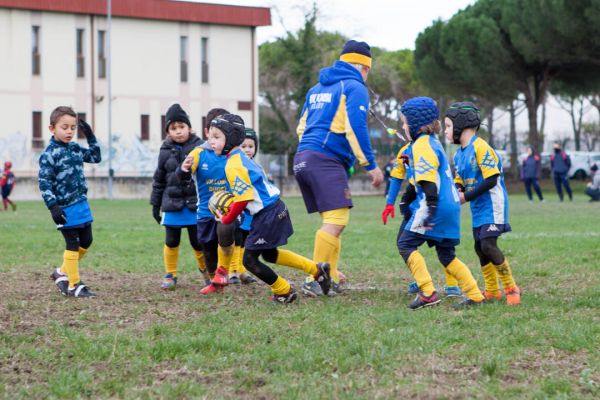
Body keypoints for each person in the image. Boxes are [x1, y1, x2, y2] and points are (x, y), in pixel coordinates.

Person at [183, 113, 331, 303]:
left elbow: (244, 198)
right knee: (270, 254)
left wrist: (226, 219)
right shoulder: (241, 158)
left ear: (231, 138)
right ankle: (317, 270)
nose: (211, 141)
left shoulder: (233, 165)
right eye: (210, 136)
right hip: (276, 208)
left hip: (268, 213)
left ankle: (284, 291)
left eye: (216, 137)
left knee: (249, 261)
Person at [294, 39, 384, 296]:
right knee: (337, 218)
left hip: (303, 157)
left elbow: (302, 128)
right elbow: (355, 127)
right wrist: (370, 164)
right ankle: (315, 279)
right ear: (364, 67)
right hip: (324, 159)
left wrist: (313, 154)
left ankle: (330, 273)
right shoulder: (355, 86)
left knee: (331, 217)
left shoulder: (315, 89)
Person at [396, 97, 485, 310]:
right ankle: (475, 294)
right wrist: (407, 197)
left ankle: (427, 292)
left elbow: (427, 181)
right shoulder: (434, 142)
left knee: (405, 244)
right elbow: (422, 178)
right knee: (447, 255)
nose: (403, 127)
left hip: (435, 205)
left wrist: (429, 210)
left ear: (415, 124)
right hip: (451, 205)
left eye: (404, 122)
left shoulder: (421, 145)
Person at [446, 102, 521, 305]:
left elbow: (491, 180)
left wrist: (465, 197)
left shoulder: (481, 147)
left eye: (448, 126)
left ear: (462, 126)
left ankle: (511, 287)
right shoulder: (459, 154)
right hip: (478, 208)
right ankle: (492, 290)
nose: (445, 131)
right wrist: (457, 190)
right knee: (479, 247)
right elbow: (459, 179)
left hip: (492, 205)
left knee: (488, 245)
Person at [382, 142, 463, 298]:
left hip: (435, 204)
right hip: (416, 206)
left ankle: (452, 285)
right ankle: (421, 281)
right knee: (404, 242)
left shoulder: (431, 146)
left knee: (444, 247)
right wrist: (390, 203)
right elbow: (397, 177)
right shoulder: (404, 151)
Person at [176, 107, 241, 295]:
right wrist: (184, 169)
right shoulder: (198, 153)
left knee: (226, 234)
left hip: (230, 210)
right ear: (207, 133)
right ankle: (215, 279)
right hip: (205, 211)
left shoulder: (235, 154)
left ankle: (226, 273)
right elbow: (182, 177)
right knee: (209, 250)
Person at [39, 106, 101, 297]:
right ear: (52, 128)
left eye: (73, 128)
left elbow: (96, 157)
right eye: (64, 127)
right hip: (63, 208)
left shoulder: (75, 148)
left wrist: (90, 136)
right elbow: (44, 183)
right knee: (72, 243)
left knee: (87, 241)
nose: (69, 131)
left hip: (81, 203)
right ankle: (74, 285)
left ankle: (61, 272)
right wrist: (53, 206)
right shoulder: (49, 154)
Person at [150, 103, 208, 290]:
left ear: (189, 128)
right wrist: (155, 204)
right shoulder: (165, 150)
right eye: (173, 128)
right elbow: (159, 179)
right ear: (168, 131)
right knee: (171, 240)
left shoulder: (200, 147)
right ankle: (170, 274)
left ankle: (205, 269)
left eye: (181, 127)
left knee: (197, 242)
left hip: (194, 204)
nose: (178, 131)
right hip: (172, 203)